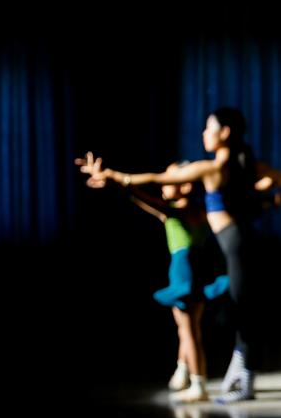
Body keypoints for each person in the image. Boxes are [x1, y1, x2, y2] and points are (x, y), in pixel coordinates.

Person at [79, 107, 281, 404]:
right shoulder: (243, 167)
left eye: (209, 128)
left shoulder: (212, 168)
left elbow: (159, 178)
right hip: (236, 241)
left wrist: (114, 176)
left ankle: (245, 380)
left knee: (242, 312)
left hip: (234, 242)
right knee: (240, 310)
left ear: (225, 133)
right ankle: (238, 374)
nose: (204, 133)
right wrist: (253, 190)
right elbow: (278, 178)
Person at [75, 156, 229, 402]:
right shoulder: (201, 210)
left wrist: (115, 182)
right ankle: (183, 369)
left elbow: (141, 198)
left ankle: (198, 382)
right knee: (188, 327)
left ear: (185, 185)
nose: (164, 184)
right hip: (199, 269)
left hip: (184, 271)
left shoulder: (175, 211)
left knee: (188, 330)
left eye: (170, 179)